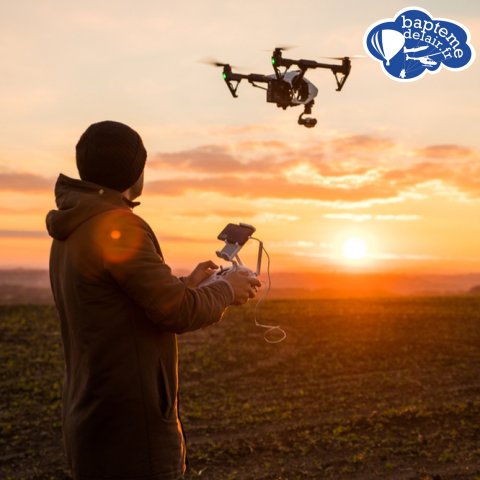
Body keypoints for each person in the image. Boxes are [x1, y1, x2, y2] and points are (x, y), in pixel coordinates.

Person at [46, 120, 260, 480]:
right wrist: (227, 289)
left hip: (91, 415)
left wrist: (188, 284)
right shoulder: (118, 226)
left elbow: (119, 299)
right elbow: (174, 311)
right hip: (132, 431)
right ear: (136, 171)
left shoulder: (72, 227)